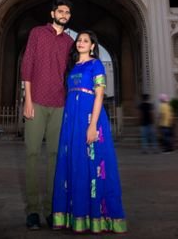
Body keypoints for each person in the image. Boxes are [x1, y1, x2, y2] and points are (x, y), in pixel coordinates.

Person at [51, 30, 127, 233]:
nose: (81, 43)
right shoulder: (73, 67)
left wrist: (92, 125)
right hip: (71, 120)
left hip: (89, 118)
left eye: (86, 40)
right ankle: (74, 216)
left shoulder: (96, 65)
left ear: (93, 45)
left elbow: (99, 96)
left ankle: (96, 217)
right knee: (72, 164)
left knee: (92, 165)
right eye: (79, 40)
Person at [21, 0, 75, 231]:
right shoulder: (37, 33)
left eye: (67, 12)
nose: (64, 15)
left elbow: (73, 72)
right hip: (37, 102)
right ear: (53, 12)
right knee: (33, 154)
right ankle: (33, 210)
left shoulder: (69, 41)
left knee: (55, 156)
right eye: (61, 11)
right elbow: (28, 64)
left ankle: (52, 210)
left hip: (60, 104)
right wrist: (27, 100)